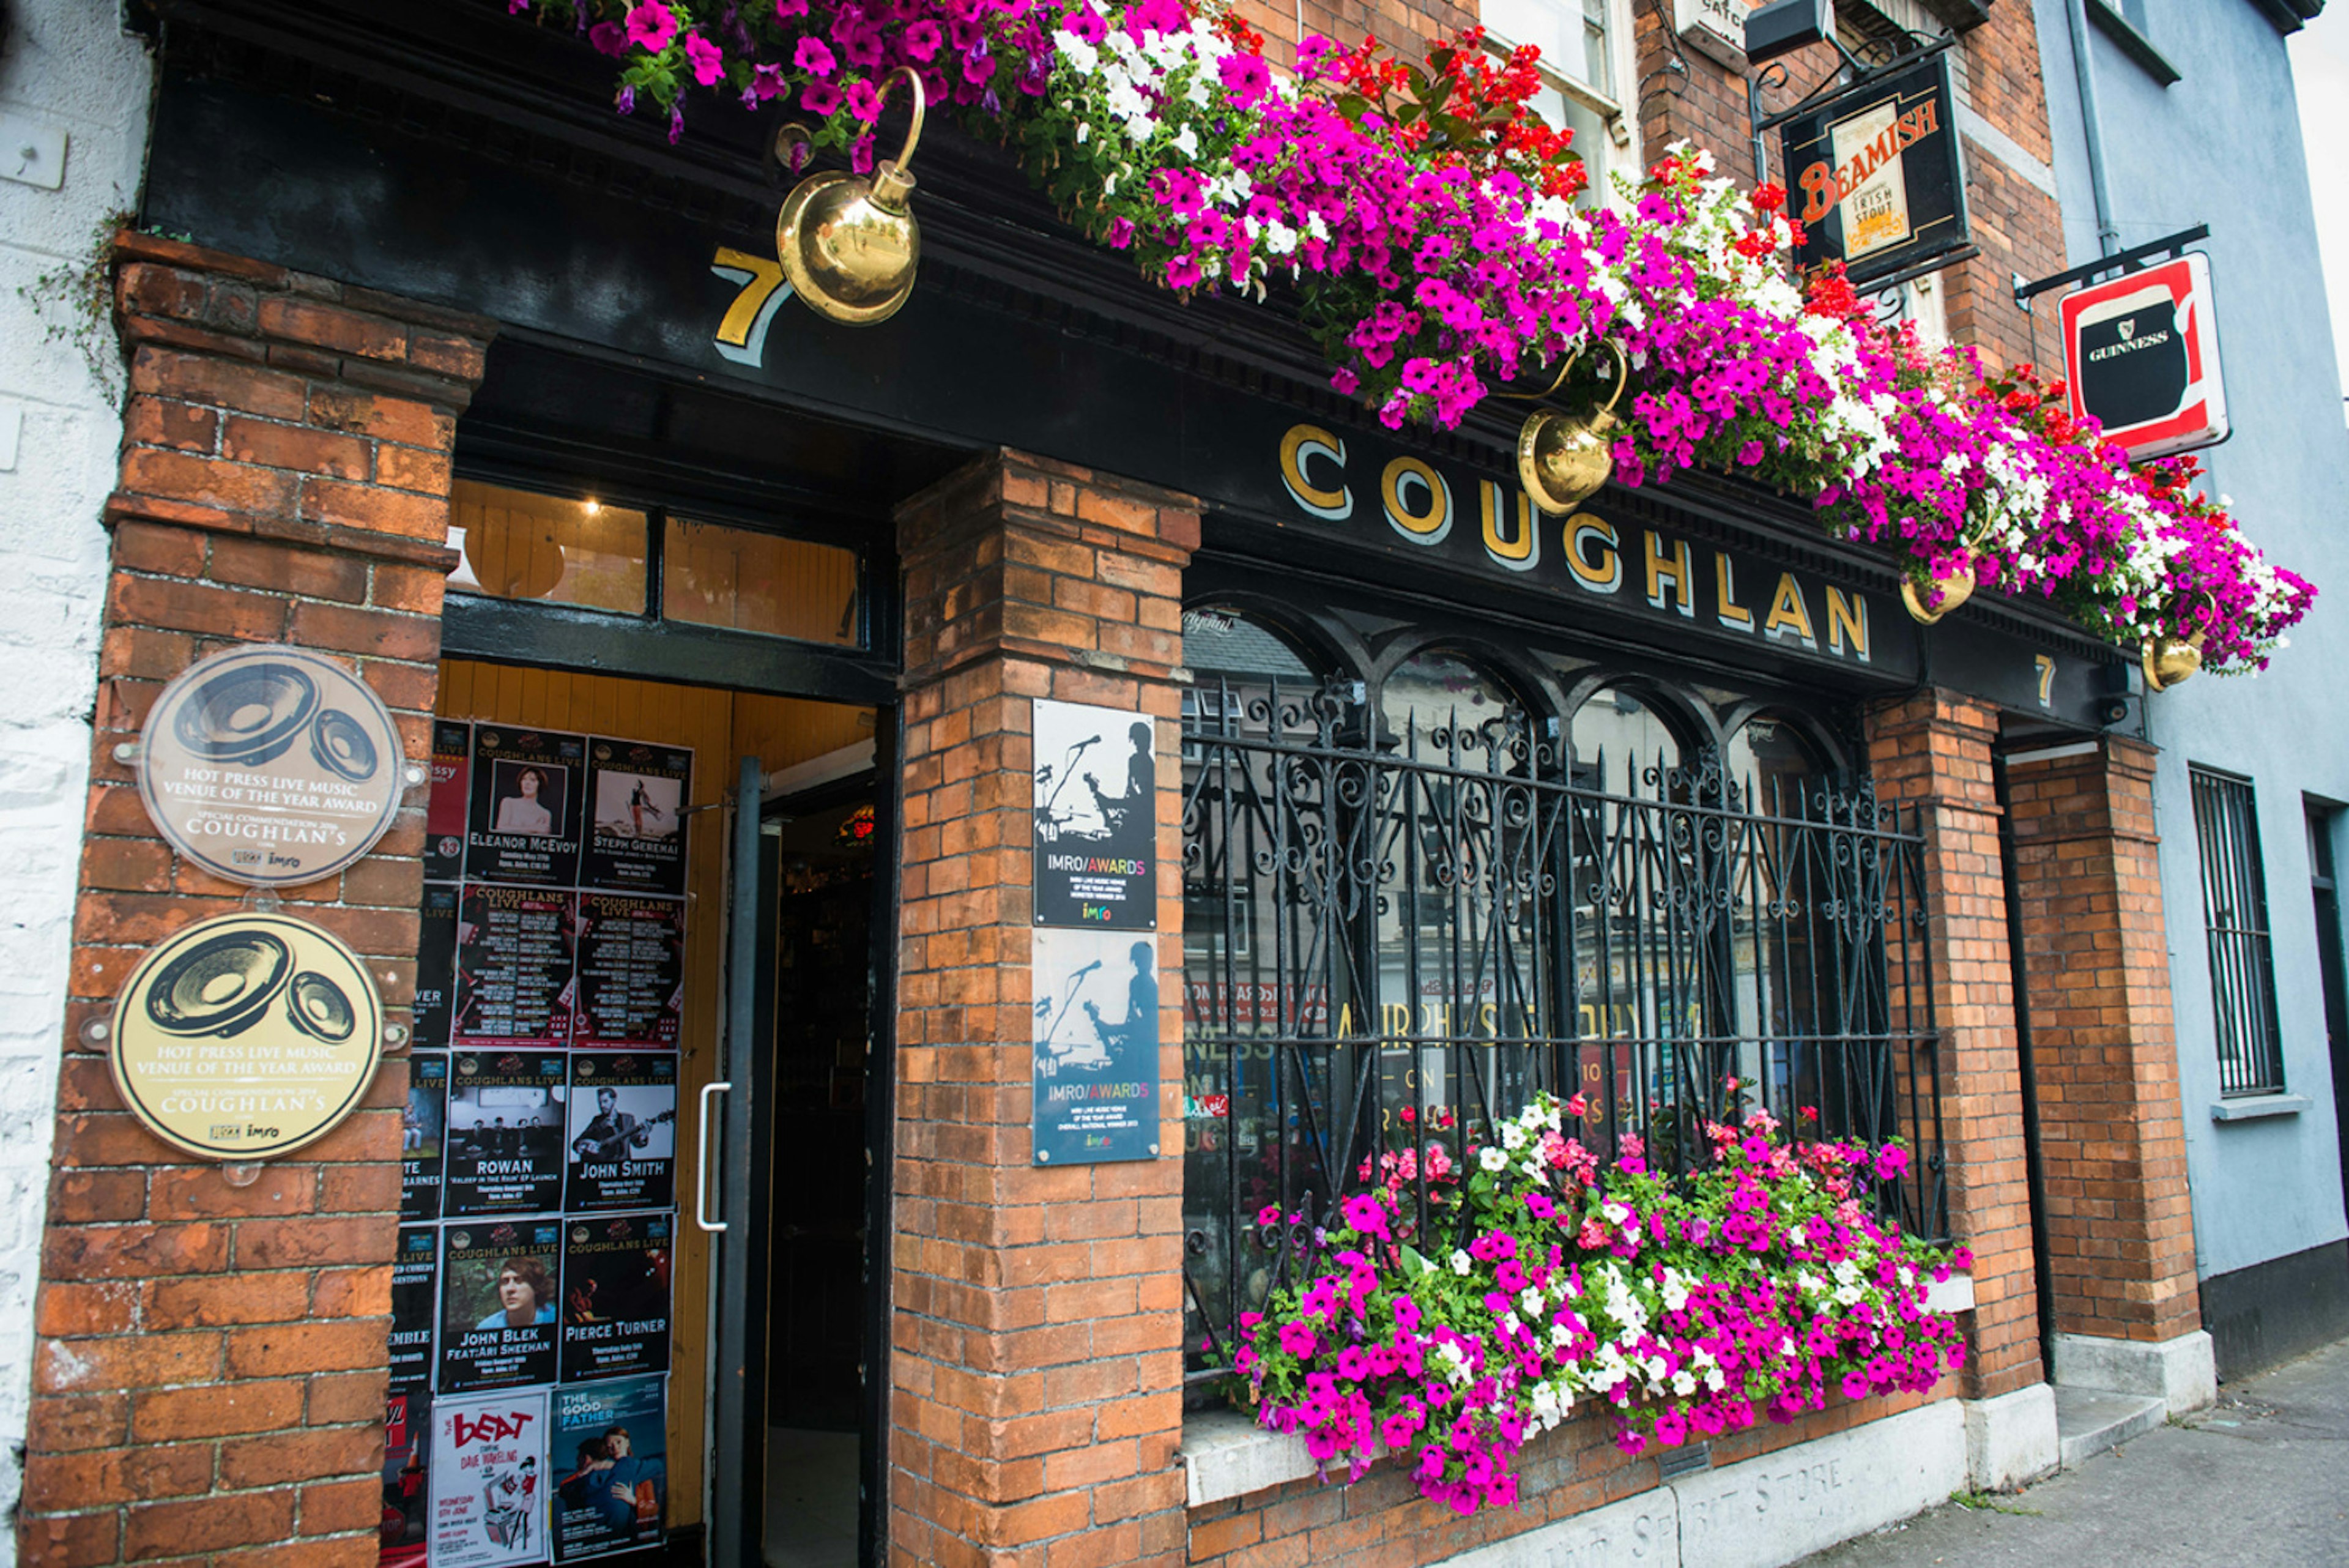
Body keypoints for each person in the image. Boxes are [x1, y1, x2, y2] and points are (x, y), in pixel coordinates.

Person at [1082, 940, 1159, 1076]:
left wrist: (1105, 1027)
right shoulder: (1136, 983)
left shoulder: (1148, 987)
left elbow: (1143, 1025)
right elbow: (1132, 1020)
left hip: (1143, 1058)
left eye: (1141, 959)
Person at [1082, 721, 1153, 844]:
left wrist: (1110, 803)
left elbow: (1140, 799)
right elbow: (1132, 794)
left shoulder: (1139, 762)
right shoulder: (1139, 761)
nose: (1135, 743)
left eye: (1135, 739)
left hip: (1139, 830)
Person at [474, 1257, 556, 1330]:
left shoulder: (555, 1318)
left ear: (536, 1287)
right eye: (505, 1282)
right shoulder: (487, 1328)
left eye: (518, 1281)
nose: (510, 1289)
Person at [571, 1087, 647, 1162]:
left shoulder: (628, 1119)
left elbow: (636, 1142)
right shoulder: (597, 1121)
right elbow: (577, 1142)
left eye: (605, 1101)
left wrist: (643, 1137)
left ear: (614, 1100)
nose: (602, 1106)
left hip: (623, 1166)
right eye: (600, 1103)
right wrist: (583, 1146)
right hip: (604, 1167)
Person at [494, 766, 555, 836]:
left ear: (540, 784)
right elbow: (501, 828)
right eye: (524, 779)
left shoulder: (545, 814)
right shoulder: (508, 803)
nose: (527, 783)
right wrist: (533, 829)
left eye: (533, 780)